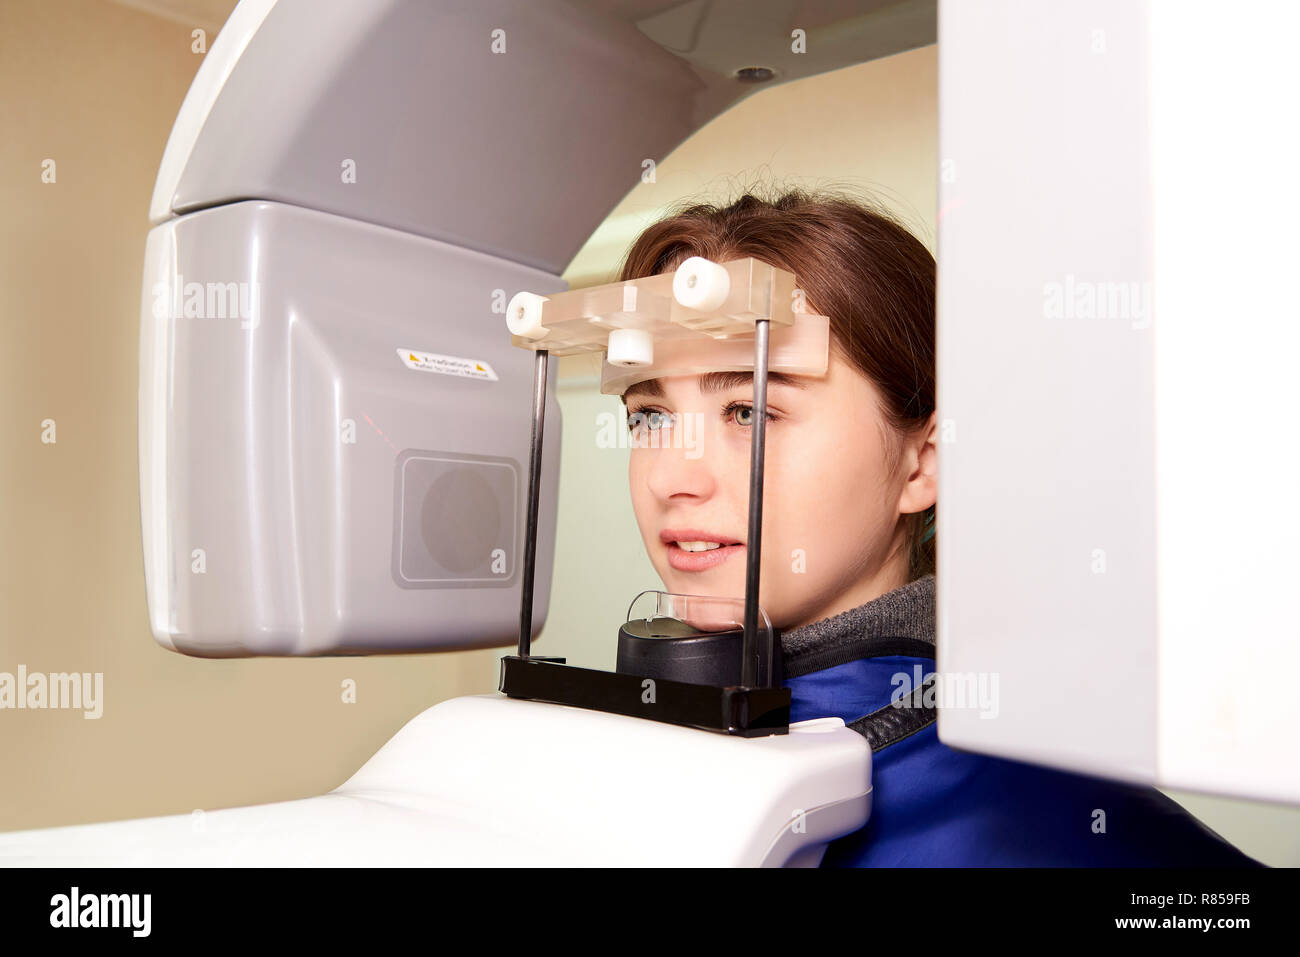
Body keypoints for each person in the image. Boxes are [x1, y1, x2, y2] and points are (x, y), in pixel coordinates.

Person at [617, 186, 1262, 867]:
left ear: (922, 462)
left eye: (748, 412)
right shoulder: (617, 748)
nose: (669, 478)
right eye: (650, 416)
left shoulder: (1037, 805)